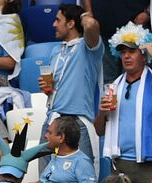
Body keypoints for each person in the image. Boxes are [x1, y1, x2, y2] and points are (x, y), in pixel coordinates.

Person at [99, 28, 152, 183]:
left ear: (143, 55)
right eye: (122, 52)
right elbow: (99, 130)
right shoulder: (114, 86)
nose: (126, 56)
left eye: (132, 51)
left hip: (151, 165)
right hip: (119, 164)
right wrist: (102, 112)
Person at [44, 4, 103, 168]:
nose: (53, 25)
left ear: (70, 24)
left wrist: (82, 15)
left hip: (77, 122)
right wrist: (47, 88)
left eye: (58, 20)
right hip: (53, 119)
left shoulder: (89, 48)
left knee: (82, 179)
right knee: (47, 175)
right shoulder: (56, 50)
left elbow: (91, 25)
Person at [33, 117, 99, 183]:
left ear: (61, 137)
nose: (45, 136)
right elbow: (50, 182)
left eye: (49, 133)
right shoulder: (56, 156)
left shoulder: (81, 162)